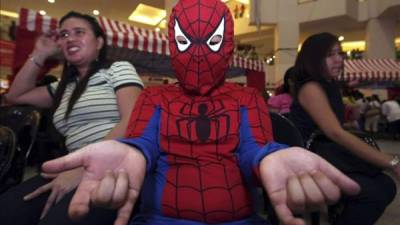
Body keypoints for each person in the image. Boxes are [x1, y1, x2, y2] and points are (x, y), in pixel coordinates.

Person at [40, 2, 361, 225]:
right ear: (172, 44)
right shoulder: (155, 98)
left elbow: (254, 150)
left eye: (212, 40)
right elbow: (143, 144)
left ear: (228, 43)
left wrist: (270, 157)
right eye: (184, 41)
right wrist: (130, 153)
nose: (198, 51)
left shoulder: (246, 98)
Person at [0, 11, 143, 225]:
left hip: (113, 167)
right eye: (65, 35)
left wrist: (83, 168)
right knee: (7, 210)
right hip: (71, 166)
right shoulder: (63, 87)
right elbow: (14, 95)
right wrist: (40, 53)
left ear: (99, 42)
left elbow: (134, 118)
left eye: (79, 32)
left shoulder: (117, 68)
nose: (70, 39)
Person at [289, 32, 398, 225]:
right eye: (330, 55)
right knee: (373, 193)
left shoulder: (330, 85)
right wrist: (391, 162)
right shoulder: (310, 87)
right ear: (314, 59)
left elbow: (334, 127)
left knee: (386, 186)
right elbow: (335, 132)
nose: (339, 60)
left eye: (340, 53)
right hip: (311, 159)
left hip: (328, 153)